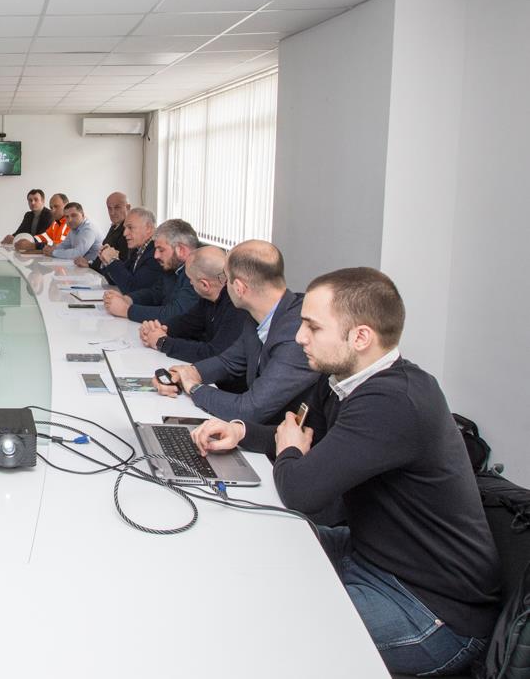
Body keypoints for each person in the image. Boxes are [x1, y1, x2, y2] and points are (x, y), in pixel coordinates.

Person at [192, 268, 501, 676]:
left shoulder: (394, 400)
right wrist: (241, 431)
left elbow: (300, 490)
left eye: (313, 326)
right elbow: (307, 437)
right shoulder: (346, 380)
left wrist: (290, 451)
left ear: (360, 337)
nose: (299, 337)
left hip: (430, 611)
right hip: (369, 555)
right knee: (246, 546)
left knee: (263, 621)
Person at [153, 240, 320, 436]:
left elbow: (250, 409)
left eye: (227, 280)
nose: (224, 286)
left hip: (287, 443)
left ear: (239, 288)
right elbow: (229, 362)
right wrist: (187, 373)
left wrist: (194, 388)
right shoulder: (259, 315)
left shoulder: (296, 334)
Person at [139, 245, 247, 367]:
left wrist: (162, 342)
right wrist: (157, 329)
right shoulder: (209, 299)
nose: (190, 283)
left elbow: (214, 354)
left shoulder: (237, 307)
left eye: (190, 279)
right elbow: (186, 323)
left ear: (204, 285)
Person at [104, 218, 200, 323]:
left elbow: (176, 313)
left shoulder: (199, 272)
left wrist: (126, 310)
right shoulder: (174, 267)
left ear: (181, 250)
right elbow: (155, 293)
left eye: (161, 250)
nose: (155, 255)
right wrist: (128, 299)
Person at [78, 207, 160, 292]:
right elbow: (116, 281)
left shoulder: (156, 253)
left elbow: (132, 289)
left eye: (130, 227)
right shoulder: (137, 250)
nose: (125, 233)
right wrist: (106, 261)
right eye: (125, 228)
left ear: (148, 228)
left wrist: (112, 260)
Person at [97, 191, 132, 261]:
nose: (112, 213)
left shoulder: (130, 231)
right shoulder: (115, 226)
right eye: (109, 208)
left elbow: (124, 261)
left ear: (128, 207)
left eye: (117, 207)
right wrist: (89, 265)